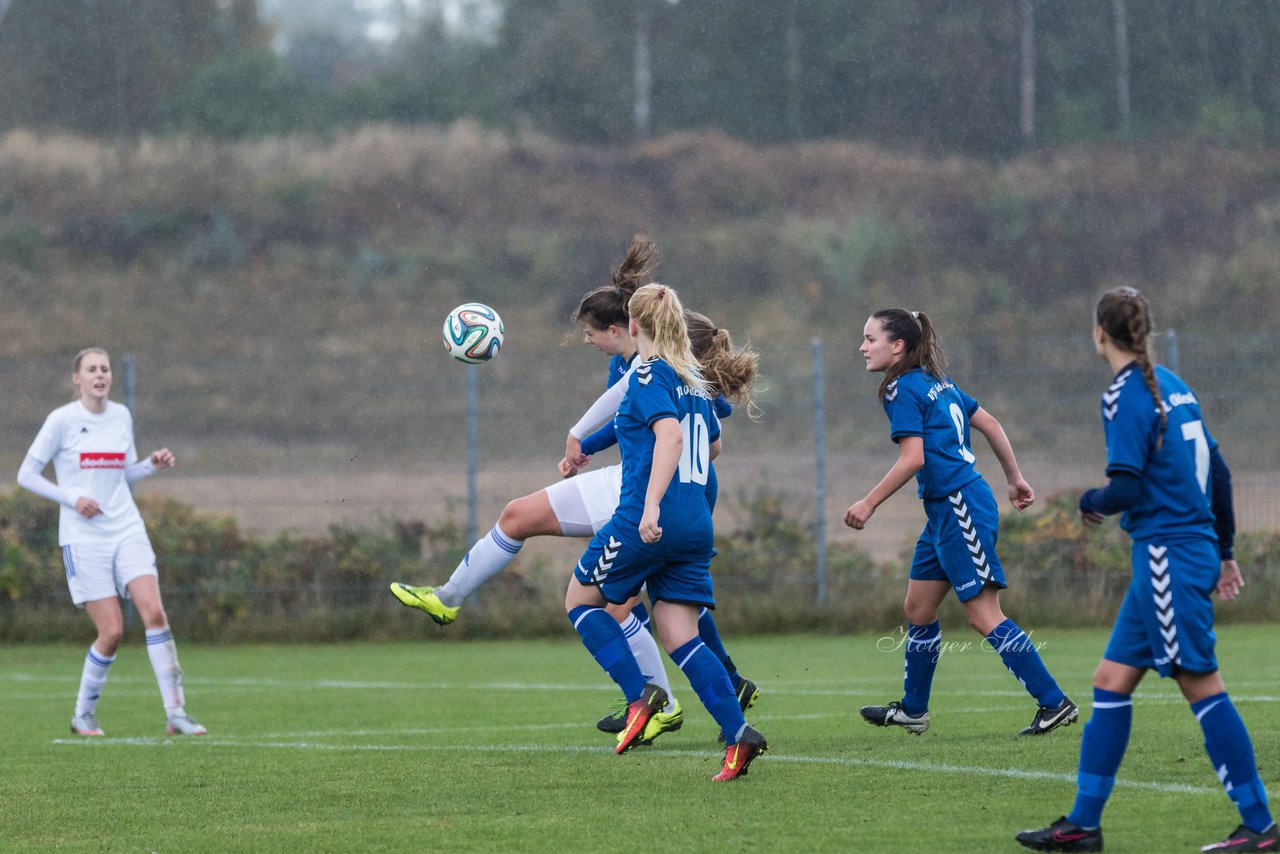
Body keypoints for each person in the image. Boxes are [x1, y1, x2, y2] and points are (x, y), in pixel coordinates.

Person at [390, 237, 759, 743]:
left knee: (580, 585)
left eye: (591, 333)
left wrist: (595, 449)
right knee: (661, 608)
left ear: (625, 327)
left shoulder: (649, 368)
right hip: (690, 500)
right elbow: (695, 427)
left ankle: (653, 698)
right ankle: (715, 693)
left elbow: (660, 424)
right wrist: (584, 439)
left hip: (647, 491)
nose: (587, 342)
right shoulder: (674, 371)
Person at [1016, 288, 1275, 853]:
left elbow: (1128, 486)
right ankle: (1083, 826)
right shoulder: (1176, 387)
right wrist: (1225, 551)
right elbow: (1222, 475)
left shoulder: (1124, 395)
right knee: (1111, 681)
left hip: (1167, 557)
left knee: (1200, 683)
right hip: (1182, 553)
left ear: (1099, 335)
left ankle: (1260, 827)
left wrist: (1089, 501)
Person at [564, 282, 767, 782]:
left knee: (580, 600)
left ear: (633, 326)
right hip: (696, 521)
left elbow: (669, 435)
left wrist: (652, 502)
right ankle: (738, 733)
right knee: (680, 633)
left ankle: (641, 696)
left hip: (646, 520)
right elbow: (711, 446)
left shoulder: (649, 371)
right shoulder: (693, 379)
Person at [845, 308, 1077, 737]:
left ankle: (1054, 703)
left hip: (959, 507)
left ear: (898, 346)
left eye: (870, 338)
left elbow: (913, 459)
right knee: (918, 608)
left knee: (983, 613)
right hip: (945, 510)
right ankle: (914, 710)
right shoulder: (937, 382)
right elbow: (987, 422)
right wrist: (1014, 478)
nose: (862, 347)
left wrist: (869, 502)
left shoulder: (902, 388)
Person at [16, 347, 206, 737]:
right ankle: (82, 715)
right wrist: (72, 498)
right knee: (113, 632)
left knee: (154, 612)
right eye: (92, 369)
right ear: (77, 378)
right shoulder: (62, 420)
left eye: (104, 369)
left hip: (126, 529)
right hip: (83, 538)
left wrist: (151, 466)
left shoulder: (121, 416)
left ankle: (176, 712)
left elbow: (124, 475)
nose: (100, 375)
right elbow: (26, 475)